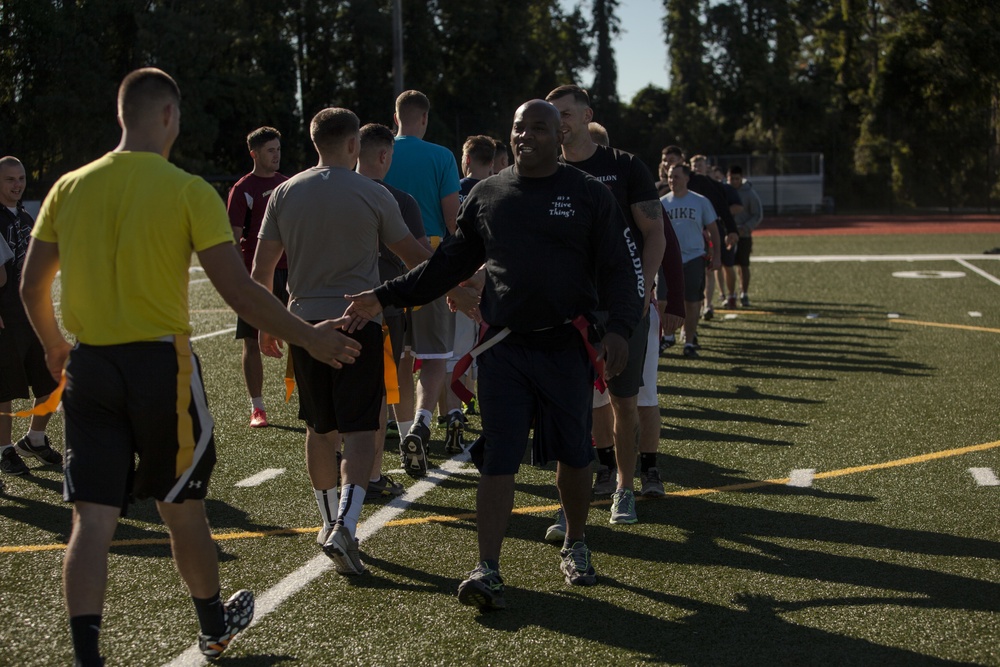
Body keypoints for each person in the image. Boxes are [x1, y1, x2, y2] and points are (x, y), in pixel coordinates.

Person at [19, 68, 362, 666]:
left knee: (92, 521)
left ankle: (87, 658)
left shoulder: (68, 187)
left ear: (122, 115)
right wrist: (310, 336)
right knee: (183, 509)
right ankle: (211, 628)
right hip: (160, 368)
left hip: (90, 368)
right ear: (170, 116)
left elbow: (31, 285)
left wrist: (54, 343)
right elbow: (243, 294)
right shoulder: (187, 190)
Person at [345, 99, 642, 611]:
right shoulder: (488, 193)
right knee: (499, 456)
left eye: (538, 128)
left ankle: (575, 541)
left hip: (567, 347)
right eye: (518, 128)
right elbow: (445, 267)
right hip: (504, 348)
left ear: (559, 134)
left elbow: (619, 269)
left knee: (576, 454)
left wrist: (618, 330)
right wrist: (385, 295)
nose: (526, 136)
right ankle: (488, 566)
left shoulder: (588, 194)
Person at [252, 108, 432, 575]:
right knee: (358, 430)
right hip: (359, 322)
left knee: (318, 426)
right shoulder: (372, 192)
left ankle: (330, 520)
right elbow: (414, 256)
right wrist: (460, 285)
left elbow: (261, 269)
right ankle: (346, 525)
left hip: (305, 326)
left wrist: (264, 325)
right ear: (354, 145)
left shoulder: (283, 193)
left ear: (314, 143)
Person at [546, 84, 665, 525]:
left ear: (586, 114)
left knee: (625, 401)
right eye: (551, 114)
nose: (559, 122)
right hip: (566, 306)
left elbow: (654, 232)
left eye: (565, 113)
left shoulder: (624, 166)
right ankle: (568, 502)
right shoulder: (544, 169)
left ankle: (624, 489)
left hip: (620, 306)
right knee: (570, 405)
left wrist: (644, 285)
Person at [383, 90, 462, 475]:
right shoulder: (441, 156)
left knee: (399, 351)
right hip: (429, 256)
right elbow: (453, 219)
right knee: (434, 354)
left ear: (395, 117)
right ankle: (423, 422)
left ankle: (402, 431)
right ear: (425, 118)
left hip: (385, 259)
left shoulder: (379, 153)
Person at [356, 121, 428, 500]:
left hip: (319, 309)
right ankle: (369, 476)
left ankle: (338, 482)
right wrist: (463, 284)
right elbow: (418, 258)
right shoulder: (396, 199)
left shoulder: (305, 190)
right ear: (384, 155)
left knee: (327, 407)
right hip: (382, 306)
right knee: (379, 392)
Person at [0, 156, 62, 477]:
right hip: (6, 313)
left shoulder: (24, 215)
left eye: (21, 178)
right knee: (6, 387)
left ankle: (34, 439)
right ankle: (4, 450)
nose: (17, 184)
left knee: (52, 376)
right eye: (10, 179)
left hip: (31, 311)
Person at [226, 127, 289, 428]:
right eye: (270, 150)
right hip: (257, 275)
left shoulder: (288, 185)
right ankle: (258, 407)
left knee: (304, 337)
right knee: (251, 341)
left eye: (278, 149)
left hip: (291, 273)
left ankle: (313, 401)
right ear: (254, 153)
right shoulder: (242, 189)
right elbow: (234, 238)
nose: (276, 155)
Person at [660, 146, 738, 323]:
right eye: (664, 160)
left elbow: (720, 205)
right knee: (667, 294)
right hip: (670, 251)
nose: (666, 164)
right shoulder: (663, 187)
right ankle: (672, 332)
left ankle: (704, 309)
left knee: (697, 285)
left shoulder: (700, 182)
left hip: (699, 242)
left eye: (671, 160)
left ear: (682, 160)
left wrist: (731, 229)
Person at [661, 163, 721, 358]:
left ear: (687, 178)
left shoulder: (700, 201)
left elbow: (713, 230)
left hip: (694, 257)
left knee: (692, 301)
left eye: (676, 176)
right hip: (668, 259)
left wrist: (717, 256)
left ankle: (689, 341)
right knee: (662, 300)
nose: (672, 180)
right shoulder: (661, 202)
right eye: (670, 176)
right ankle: (667, 336)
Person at [727, 164, 764, 306]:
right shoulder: (724, 190)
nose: (734, 182)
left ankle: (744, 293)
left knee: (743, 265)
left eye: (737, 179)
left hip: (743, 235)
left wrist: (746, 227)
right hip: (728, 234)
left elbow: (758, 214)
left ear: (741, 178)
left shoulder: (750, 193)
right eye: (731, 178)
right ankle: (730, 295)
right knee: (727, 265)